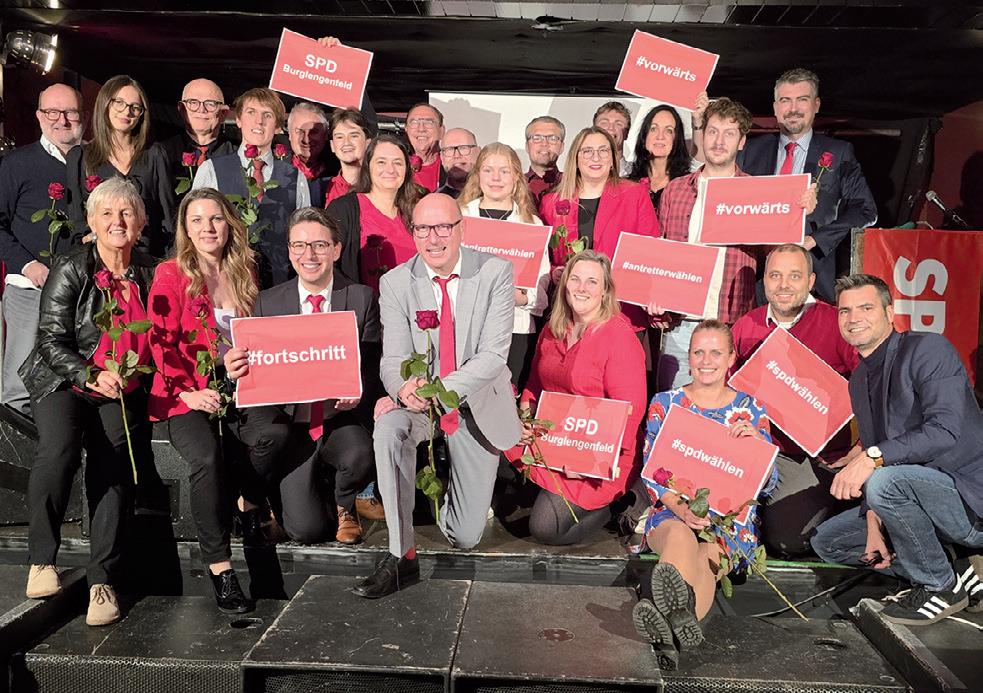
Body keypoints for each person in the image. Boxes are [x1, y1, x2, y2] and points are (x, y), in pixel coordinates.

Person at [354, 193, 521, 598]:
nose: (433, 238)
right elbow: (393, 359)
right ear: (413, 233)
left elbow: (493, 356)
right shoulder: (396, 282)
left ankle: (450, 486)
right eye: (423, 229)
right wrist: (401, 388)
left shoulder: (496, 272)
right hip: (420, 405)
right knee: (388, 428)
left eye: (443, 227)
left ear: (462, 228)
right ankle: (402, 555)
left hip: (473, 404)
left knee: (466, 536)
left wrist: (439, 389)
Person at [147, 188, 292, 613]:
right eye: (197, 220)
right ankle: (220, 567)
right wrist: (188, 391)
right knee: (207, 458)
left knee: (276, 434)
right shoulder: (171, 274)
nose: (207, 228)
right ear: (185, 229)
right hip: (185, 392)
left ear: (229, 224)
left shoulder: (247, 268)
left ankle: (248, 500)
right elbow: (159, 343)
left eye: (215, 218)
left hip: (239, 386)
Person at [21, 178, 156, 627]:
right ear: (92, 223)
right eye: (107, 214)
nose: (118, 222)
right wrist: (90, 374)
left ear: (140, 223)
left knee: (113, 464)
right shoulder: (72, 267)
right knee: (58, 451)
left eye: (127, 213)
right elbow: (50, 339)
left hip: (122, 388)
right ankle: (42, 559)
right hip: (65, 380)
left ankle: (102, 580)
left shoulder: (151, 272)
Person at [811, 274, 983, 625]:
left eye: (866, 308)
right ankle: (959, 572)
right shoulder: (859, 379)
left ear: (890, 313)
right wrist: (874, 522)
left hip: (968, 501)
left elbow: (943, 431)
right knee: (829, 542)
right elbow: (879, 455)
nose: (854, 318)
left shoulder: (927, 349)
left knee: (885, 481)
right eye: (845, 311)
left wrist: (870, 459)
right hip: (911, 498)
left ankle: (938, 585)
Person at [224, 207, 382, 546]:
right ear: (289, 250)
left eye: (319, 245)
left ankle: (345, 503)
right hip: (292, 423)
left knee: (361, 453)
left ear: (336, 250)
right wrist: (237, 368)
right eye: (299, 245)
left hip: (338, 418)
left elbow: (371, 365)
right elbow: (258, 369)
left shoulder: (361, 298)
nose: (309, 255)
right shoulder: (267, 303)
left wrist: (358, 389)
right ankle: (285, 499)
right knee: (307, 532)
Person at [633, 320, 776, 649]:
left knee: (708, 555)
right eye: (698, 352)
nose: (706, 360)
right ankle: (675, 632)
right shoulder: (665, 403)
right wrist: (681, 509)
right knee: (679, 537)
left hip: (727, 522)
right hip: (673, 509)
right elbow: (652, 473)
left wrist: (759, 450)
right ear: (689, 356)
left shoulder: (751, 410)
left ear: (731, 358)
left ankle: (667, 636)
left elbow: (766, 485)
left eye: (716, 353)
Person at [656, 97, 817, 390]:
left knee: (730, 409)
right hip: (680, 324)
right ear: (702, 135)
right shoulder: (675, 191)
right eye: (713, 131)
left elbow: (777, 255)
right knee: (674, 408)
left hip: (733, 323)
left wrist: (798, 214)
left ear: (741, 142)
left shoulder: (757, 194)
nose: (719, 142)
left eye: (729, 134)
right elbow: (662, 253)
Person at [731, 244, 859, 557]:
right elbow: (726, 391)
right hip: (760, 448)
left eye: (794, 276)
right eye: (775, 276)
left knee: (788, 540)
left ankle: (843, 508)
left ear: (811, 281)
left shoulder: (836, 322)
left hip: (819, 457)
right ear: (764, 280)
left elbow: (874, 385)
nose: (784, 285)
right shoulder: (747, 325)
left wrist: (863, 448)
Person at [517, 251, 646, 544]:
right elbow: (534, 385)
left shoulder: (619, 337)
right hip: (554, 440)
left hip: (601, 451)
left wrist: (591, 462)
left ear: (605, 291)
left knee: (545, 527)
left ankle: (622, 501)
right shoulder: (553, 328)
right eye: (575, 279)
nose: (582, 288)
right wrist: (524, 418)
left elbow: (630, 411)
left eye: (592, 282)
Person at [738, 69, 877, 302]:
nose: (793, 108)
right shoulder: (750, 151)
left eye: (802, 99)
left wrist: (815, 240)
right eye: (785, 100)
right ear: (775, 108)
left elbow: (865, 210)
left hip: (815, 277)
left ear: (816, 105)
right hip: (757, 279)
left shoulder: (839, 152)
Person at [0, 84, 85, 415]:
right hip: (29, 292)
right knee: (20, 387)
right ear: (38, 116)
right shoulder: (16, 164)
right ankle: (22, 448)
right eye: (52, 112)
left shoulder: (94, 163)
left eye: (70, 112)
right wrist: (28, 265)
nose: (61, 120)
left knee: (75, 384)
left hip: (82, 296)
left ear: (83, 116)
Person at [539, 126, 660, 334]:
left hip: (621, 311)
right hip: (571, 312)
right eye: (587, 151)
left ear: (613, 158)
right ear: (576, 158)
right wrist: (554, 271)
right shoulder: (551, 202)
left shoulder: (634, 195)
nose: (596, 157)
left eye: (603, 150)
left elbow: (651, 254)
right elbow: (544, 258)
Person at [193, 87, 311, 287]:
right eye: (251, 112)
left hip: (280, 284)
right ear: (238, 120)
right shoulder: (211, 170)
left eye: (267, 115)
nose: (259, 121)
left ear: (277, 126)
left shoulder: (295, 177)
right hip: (225, 282)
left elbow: (304, 235)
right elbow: (195, 228)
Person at [458, 142, 549, 387]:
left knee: (507, 397)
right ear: (477, 175)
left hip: (514, 328)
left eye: (504, 171)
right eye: (488, 170)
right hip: (465, 327)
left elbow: (541, 287)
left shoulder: (532, 225)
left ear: (517, 177)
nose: (496, 178)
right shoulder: (460, 217)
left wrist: (520, 298)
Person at [65, 75, 175, 258]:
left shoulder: (155, 154)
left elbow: (168, 218)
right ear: (105, 104)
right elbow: (76, 222)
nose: (127, 111)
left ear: (142, 114)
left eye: (135, 107)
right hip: (100, 261)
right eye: (119, 103)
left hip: (148, 260)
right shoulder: (80, 157)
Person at [327, 134, 424, 291]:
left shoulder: (417, 213)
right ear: (368, 166)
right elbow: (328, 265)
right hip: (365, 304)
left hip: (412, 303)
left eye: (398, 163)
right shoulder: (344, 209)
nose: (390, 169)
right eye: (381, 162)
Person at [160, 78, 235, 199]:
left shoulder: (236, 156)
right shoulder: (163, 153)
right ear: (182, 109)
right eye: (193, 102)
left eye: (210, 104)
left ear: (223, 113)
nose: (201, 110)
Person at [627, 103, 698, 212]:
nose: (660, 136)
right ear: (644, 137)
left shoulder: (689, 186)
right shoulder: (627, 185)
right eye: (653, 129)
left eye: (668, 130)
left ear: (676, 140)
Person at [323, 107, 372, 207]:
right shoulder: (321, 189)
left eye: (354, 135)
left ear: (367, 142)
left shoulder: (380, 185)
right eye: (339, 137)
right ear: (332, 145)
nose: (346, 142)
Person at [287, 102, 332, 205]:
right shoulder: (273, 170)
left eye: (314, 131)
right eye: (299, 131)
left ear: (325, 135)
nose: (306, 139)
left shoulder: (339, 171)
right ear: (289, 134)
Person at [404, 102, 445, 192]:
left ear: (441, 131)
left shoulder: (452, 166)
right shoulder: (395, 167)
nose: (421, 129)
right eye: (414, 122)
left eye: (429, 122)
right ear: (406, 129)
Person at [524, 116, 565, 204]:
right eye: (537, 138)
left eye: (552, 138)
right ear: (527, 146)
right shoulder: (512, 185)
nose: (544, 144)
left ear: (562, 147)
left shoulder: (575, 184)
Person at [436, 128, 479, 199]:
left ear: (478, 152)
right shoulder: (436, 199)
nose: (456, 156)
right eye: (449, 149)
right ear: (441, 157)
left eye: (463, 148)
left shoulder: (493, 192)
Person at [593, 101, 633, 176]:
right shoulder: (578, 173)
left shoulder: (640, 174)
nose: (610, 128)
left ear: (626, 134)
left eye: (618, 124)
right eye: (604, 123)